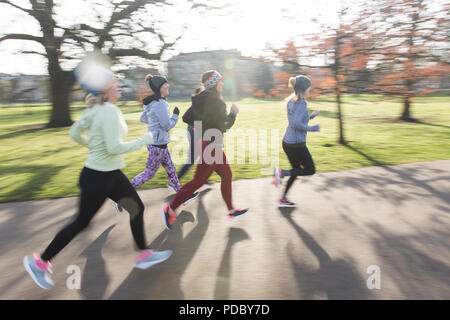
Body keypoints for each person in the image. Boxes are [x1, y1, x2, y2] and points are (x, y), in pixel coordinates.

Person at [23, 65, 172, 290]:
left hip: (109, 173)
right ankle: (40, 262)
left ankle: (143, 254)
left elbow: (74, 133)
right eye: (115, 82)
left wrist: (93, 147)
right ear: (104, 89)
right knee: (81, 222)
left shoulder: (95, 109)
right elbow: (114, 148)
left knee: (136, 207)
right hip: (99, 177)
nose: (119, 85)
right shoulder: (108, 111)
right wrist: (145, 140)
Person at [161, 70, 249, 230]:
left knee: (226, 175)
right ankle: (170, 209)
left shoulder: (199, 99)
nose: (222, 84)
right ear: (214, 83)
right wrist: (233, 114)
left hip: (208, 144)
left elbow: (186, 118)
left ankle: (231, 209)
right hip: (211, 146)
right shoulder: (217, 102)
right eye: (220, 81)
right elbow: (225, 127)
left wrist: (199, 126)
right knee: (198, 181)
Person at [124, 74, 199, 206]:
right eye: (165, 84)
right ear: (160, 88)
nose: (168, 85)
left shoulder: (152, 102)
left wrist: (153, 119)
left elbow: (144, 118)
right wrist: (175, 115)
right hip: (158, 145)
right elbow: (167, 126)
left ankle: (182, 197)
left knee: (171, 170)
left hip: (158, 144)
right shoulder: (160, 104)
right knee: (149, 173)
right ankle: (124, 193)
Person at [273, 75, 320, 207]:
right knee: (310, 169)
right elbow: (296, 124)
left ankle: (283, 199)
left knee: (296, 170)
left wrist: (311, 116)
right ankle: (281, 172)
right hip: (296, 144)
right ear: (304, 88)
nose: (310, 89)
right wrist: (313, 128)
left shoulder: (292, 101)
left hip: (287, 142)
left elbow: (298, 120)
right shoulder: (302, 103)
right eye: (309, 87)